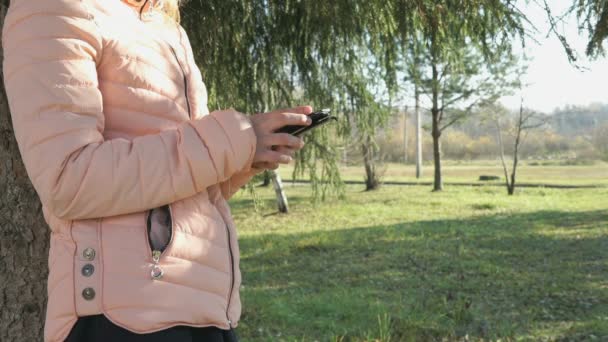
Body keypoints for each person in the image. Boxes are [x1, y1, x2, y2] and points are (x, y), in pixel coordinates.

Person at [1, 0, 312, 341]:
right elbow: (69, 180)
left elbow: (177, 187)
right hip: (122, 316)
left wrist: (243, 158)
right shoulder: (52, 8)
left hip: (204, 308)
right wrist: (231, 141)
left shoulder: (168, 31)